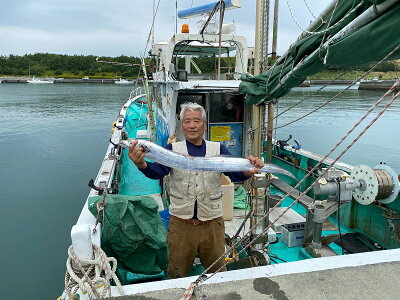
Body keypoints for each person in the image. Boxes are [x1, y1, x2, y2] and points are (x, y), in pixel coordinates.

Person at [128, 102, 264, 278]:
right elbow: (158, 172)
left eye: (196, 121)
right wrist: (141, 164)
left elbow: (235, 174)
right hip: (180, 223)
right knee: (177, 272)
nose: (192, 125)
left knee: (218, 273)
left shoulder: (218, 149)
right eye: (187, 121)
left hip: (212, 223)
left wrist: (249, 170)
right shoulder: (172, 149)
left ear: (204, 125)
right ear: (182, 126)